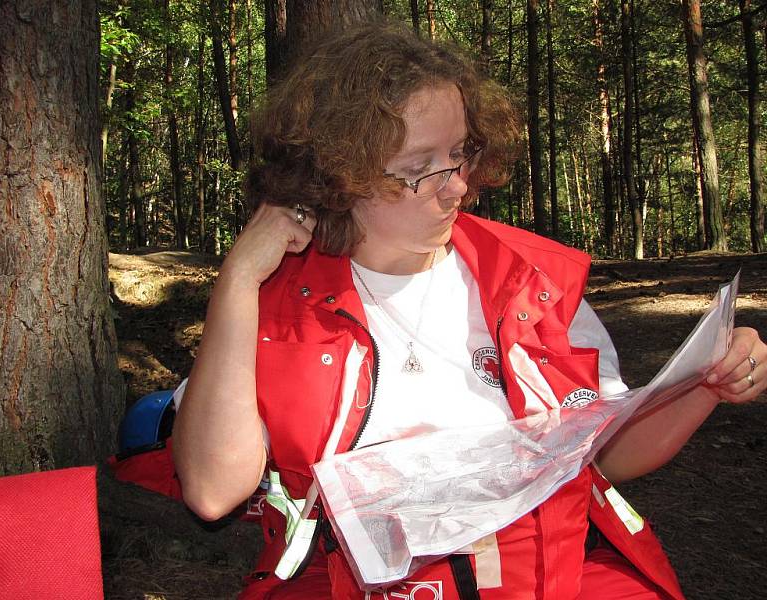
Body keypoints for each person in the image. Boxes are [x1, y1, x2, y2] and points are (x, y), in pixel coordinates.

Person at [172, 21, 766, 600]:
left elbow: (608, 454)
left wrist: (706, 385)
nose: (455, 186)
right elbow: (212, 491)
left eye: (458, 154)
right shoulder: (280, 306)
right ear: (337, 177)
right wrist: (237, 282)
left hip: (546, 571)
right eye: (418, 168)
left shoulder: (530, 282)